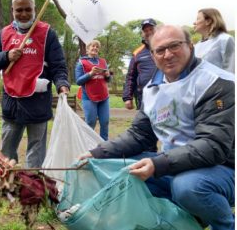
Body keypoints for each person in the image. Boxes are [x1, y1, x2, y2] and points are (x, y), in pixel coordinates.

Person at [80, 25, 235, 230]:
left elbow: (213, 145)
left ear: (190, 46)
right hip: (177, 163)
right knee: (117, 168)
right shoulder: (152, 88)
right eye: (160, 50)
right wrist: (97, 153)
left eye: (174, 46)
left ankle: (224, 223)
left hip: (223, 167)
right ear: (152, 56)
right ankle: (185, 219)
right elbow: (139, 135)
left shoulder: (215, 82)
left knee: (188, 188)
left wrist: (158, 165)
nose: (168, 54)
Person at [0, 0, 70, 168]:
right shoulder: (4, 34)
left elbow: (58, 65)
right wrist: (7, 56)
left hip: (38, 102)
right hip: (12, 103)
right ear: (12, 11)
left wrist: (62, 84)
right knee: (7, 152)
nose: (23, 14)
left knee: (36, 150)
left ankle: (33, 187)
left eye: (27, 10)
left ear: (34, 9)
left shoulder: (48, 34)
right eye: (19, 10)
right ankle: (8, 186)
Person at [75, 40, 112, 140]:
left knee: (105, 121)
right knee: (91, 122)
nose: (95, 48)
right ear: (87, 49)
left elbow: (108, 80)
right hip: (88, 97)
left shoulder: (103, 62)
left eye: (97, 47)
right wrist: (90, 73)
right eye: (93, 46)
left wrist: (108, 76)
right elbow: (78, 81)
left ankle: (104, 145)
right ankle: (88, 143)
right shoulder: (81, 63)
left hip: (104, 96)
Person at [122, 18, 157, 110]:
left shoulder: (166, 47)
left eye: (151, 29)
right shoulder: (137, 53)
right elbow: (130, 76)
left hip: (165, 94)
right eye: (145, 30)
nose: (148, 32)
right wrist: (127, 97)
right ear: (142, 34)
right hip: (144, 97)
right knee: (144, 123)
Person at [193, 8, 235, 73]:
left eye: (198, 19)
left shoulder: (225, 39)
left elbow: (231, 70)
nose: (194, 22)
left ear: (208, 21)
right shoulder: (197, 45)